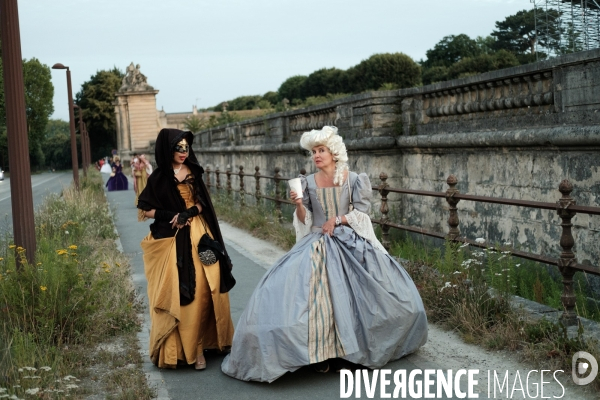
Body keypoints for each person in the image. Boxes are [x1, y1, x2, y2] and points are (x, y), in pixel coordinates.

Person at [221, 126, 428, 382]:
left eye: (321, 151)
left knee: (361, 299)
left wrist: (338, 219)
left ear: (334, 153)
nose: (316, 156)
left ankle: (350, 352)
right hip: (316, 242)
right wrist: (298, 203)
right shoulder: (307, 183)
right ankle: (320, 355)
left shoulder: (353, 180)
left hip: (349, 244)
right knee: (300, 297)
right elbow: (305, 220)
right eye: (313, 152)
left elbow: (362, 214)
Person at [137, 128, 234, 370]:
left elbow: (204, 204)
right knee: (179, 291)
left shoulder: (193, 172)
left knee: (208, 285)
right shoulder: (158, 177)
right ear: (168, 150)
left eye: (186, 148)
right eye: (178, 148)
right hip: (171, 238)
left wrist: (189, 212)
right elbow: (145, 209)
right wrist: (172, 215)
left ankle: (211, 341)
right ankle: (190, 349)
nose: (183, 152)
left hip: (199, 233)